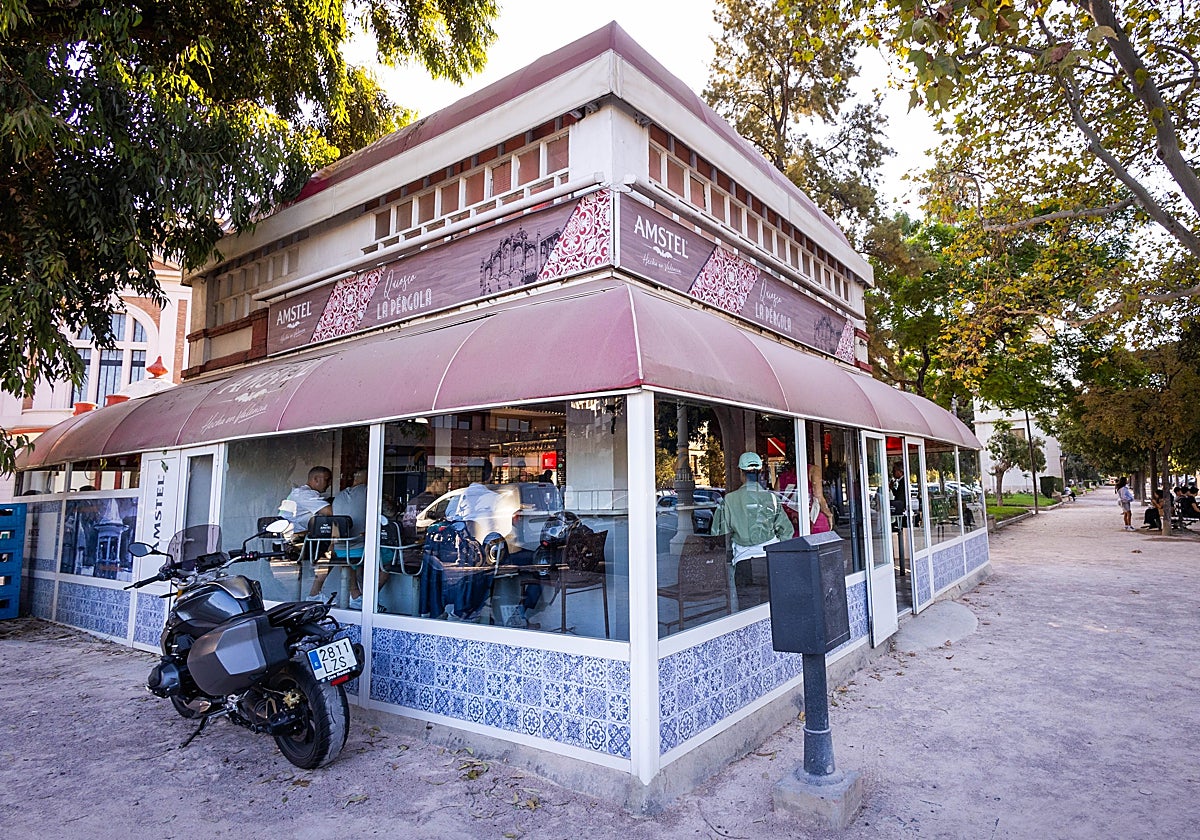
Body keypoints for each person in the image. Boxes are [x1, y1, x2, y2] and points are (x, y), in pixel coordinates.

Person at [711, 452, 793, 587]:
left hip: (743, 562)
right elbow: (786, 531)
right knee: (771, 605)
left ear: (741, 473)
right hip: (769, 560)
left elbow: (719, 534)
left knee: (747, 606)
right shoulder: (772, 499)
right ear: (760, 472)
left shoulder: (729, 500)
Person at [308, 468, 367, 606]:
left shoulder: (339, 496)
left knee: (340, 554)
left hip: (339, 548)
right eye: (327, 480)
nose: (329, 483)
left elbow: (336, 520)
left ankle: (354, 594)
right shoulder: (368, 492)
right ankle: (366, 598)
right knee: (388, 557)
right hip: (358, 550)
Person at [279, 466, 332, 538]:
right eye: (327, 480)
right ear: (316, 479)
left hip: (294, 536)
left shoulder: (300, 492)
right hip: (292, 540)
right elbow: (329, 512)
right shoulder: (305, 494)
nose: (329, 484)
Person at [807, 463, 834, 534]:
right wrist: (829, 514)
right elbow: (818, 496)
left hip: (791, 521)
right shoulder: (813, 470)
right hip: (813, 520)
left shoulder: (782, 476)